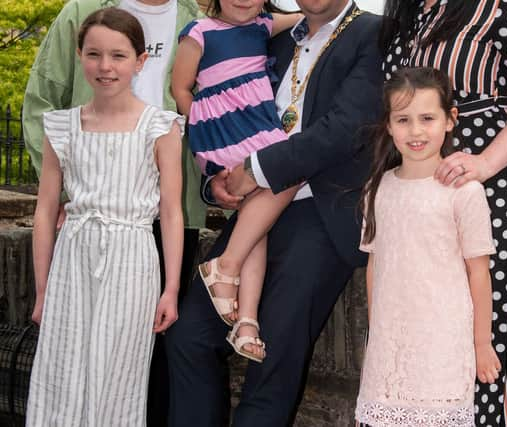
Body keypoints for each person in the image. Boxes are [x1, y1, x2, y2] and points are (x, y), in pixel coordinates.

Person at [164, 0, 383, 425]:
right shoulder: (271, 33)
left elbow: (344, 128)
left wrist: (257, 170)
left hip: (319, 214)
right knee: (189, 337)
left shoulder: (374, 33)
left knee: (274, 358)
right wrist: (218, 181)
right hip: (253, 211)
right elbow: (217, 106)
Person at [379, 1, 507, 426]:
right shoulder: (408, 15)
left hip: (488, 191)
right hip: (419, 200)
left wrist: (485, 163)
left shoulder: (505, 5)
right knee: (415, 334)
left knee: (479, 338)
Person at [26, 8, 184, 426]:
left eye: (118, 55)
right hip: (72, 261)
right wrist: (42, 291)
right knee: (61, 376)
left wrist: (170, 289)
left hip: (132, 261)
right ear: (79, 55)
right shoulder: (60, 127)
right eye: (94, 54)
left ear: (140, 60)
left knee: (118, 379)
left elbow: (170, 211)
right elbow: (45, 211)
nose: (105, 66)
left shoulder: (161, 127)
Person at [355, 67, 500, 427]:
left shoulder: (465, 192)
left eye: (427, 118)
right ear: (388, 125)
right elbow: (375, 264)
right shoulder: (378, 188)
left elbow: (478, 272)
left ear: (450, 120)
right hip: (390, 347)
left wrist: (482, 343)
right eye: (403, 119)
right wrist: (378, 332)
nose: (415, 131)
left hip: (443, 342)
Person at [171, 0, 302, 362]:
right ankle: (225, 267)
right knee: (288, 169)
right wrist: (202, 131)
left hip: (256, 124)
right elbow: (181, 88)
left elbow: (312, 13)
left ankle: (246, 322)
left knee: (253, 228)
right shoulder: (199, 33)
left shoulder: (263, 25)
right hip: (223, 130)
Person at [22, 0, 205, 228]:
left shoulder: (199, 23)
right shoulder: (82, 11)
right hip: (88, 206)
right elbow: (40, 103)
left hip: (172, 211)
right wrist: (62, 190)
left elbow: (218, 111)